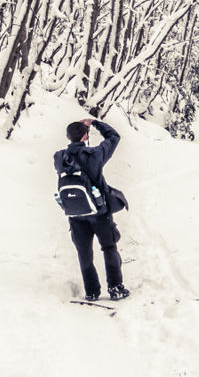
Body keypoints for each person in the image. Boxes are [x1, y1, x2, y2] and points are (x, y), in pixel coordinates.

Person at [54, 116, 130, 302]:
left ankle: (92, 291)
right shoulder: (95, 155)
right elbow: (113, 137)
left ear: (67, 136)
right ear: (86, 136)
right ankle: (115, 288)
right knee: (109, 247)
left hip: (75, 212)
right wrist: (95, 123)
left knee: (84, 252)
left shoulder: (59, 158)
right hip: (99, 212)